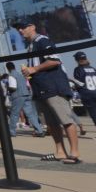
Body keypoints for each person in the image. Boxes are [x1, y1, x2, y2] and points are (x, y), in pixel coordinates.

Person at [13, 20, 81, 165]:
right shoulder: (31, 46)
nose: (20, 30)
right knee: (51, 123)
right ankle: (60, 152)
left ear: (33, 26)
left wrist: (33, 69)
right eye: (18, 28)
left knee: (65, 119)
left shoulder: (42, 41)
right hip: (40, 88)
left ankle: (74, 153)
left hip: (53, 86)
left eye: (23, 27)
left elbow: (54, 61)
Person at [69, 52, 96, 140]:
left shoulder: (78, 69)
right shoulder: (93, 69)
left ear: (77, 60)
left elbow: (80, 83)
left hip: (88, 94)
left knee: (94, 115)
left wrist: (71, 80)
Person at [5, 61, 45, 137]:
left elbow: (13, 87)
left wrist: (8, 89)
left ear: (7, 68)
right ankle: (39, 130)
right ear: (14, 67)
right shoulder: (21, 75)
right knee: (31, 114)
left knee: (14, 114)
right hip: (27, 95)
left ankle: (11, 132)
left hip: (18, 96)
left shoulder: (11, 75)